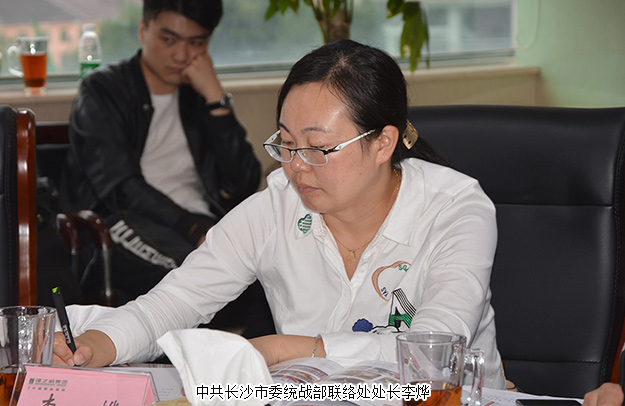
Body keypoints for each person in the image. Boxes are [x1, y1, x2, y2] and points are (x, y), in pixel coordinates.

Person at [54, 39, 507, 389]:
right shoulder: (277, 206)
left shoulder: (455, 209)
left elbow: (432, 356)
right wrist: (97, 345)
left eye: (318, 148)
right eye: (287, 143)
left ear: (383, 143)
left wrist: (290, 349)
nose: (295, 166)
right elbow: (173, 303)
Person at [60, 0, 261, 302]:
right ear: (143, 30)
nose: (181, 55)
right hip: (122, 221)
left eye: (196, 43)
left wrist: (216, 98)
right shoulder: (102, 90)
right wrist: (193, 227)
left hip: (199, 224)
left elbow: (243, 183)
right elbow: (121, 188)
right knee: (200, 282)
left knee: (271, 277)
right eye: (168, 40)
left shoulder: (198, 94)